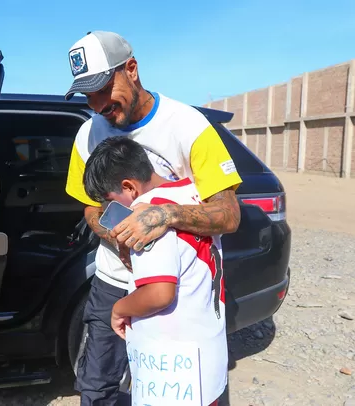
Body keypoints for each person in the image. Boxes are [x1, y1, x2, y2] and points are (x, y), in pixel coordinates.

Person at [64, 30, 242, 405]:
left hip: (180, 295)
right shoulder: (87, 134)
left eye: (102, 89)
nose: (97, 105)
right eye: (87, 95)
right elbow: (90, 208)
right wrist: (119, 237)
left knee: (184, 391)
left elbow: (228, 214)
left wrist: (165, 215)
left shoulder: (189, 127)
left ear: (131, 69)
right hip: (113, 281)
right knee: (96, 388)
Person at [82, 136, 227, 406]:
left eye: (109, 200)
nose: (109, 208)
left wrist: (119, 309)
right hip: (206, 355)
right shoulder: (190, 194)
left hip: (172, 370)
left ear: (129, 187)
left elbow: (160, 293)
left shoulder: (145, 218)